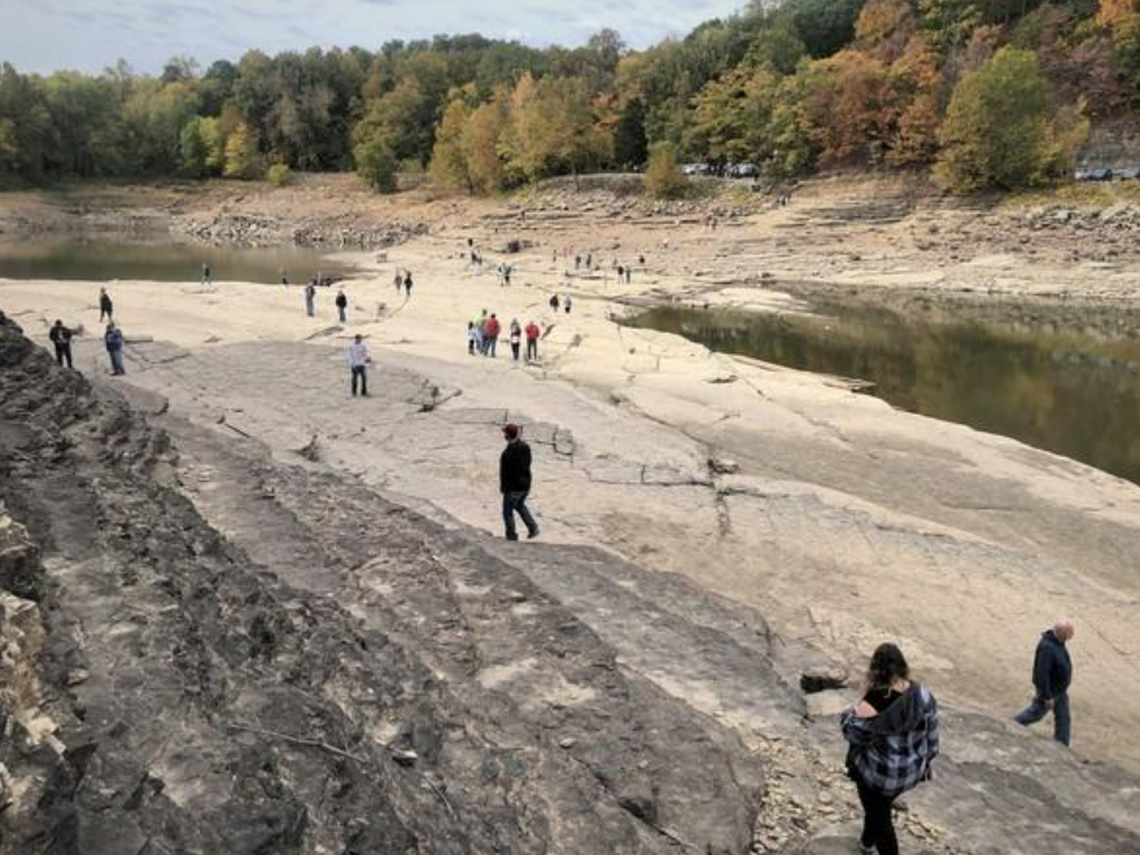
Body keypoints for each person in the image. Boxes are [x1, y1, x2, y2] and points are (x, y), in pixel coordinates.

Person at [842, 643, 940, 855]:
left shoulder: (874, 701)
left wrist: (851, 712)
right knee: (877, 808)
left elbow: (851, 734)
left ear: (875, 670)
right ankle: (866, 844)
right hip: (910, 772)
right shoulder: (923, 694)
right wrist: (924, 762)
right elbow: (932, 739)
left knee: (880, 817)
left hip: (880, 775)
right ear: (902, 666)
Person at [1014, 620, 1075, 746]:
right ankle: (1010, 725)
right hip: (1050, 691)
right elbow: (1040, 674)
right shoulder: (1047, 648)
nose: (1072, 635)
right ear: (1061, 633)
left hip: (1060, 691)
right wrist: (1047, 696)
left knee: (1064, 719)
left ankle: (1062, 746)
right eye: (1070, 632)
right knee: (1034, 714)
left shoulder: (1059, 642)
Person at [500, 423, 539, 541]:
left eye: (505, 433)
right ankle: (533, 527)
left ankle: (511, 536)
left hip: (513, 487)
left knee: (507, 512)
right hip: (525, 485)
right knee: (519, 505)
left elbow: (508, 473)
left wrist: (504, 487)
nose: (504, 435)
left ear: (508, 435)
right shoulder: (525, 446)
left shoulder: (509, 453)